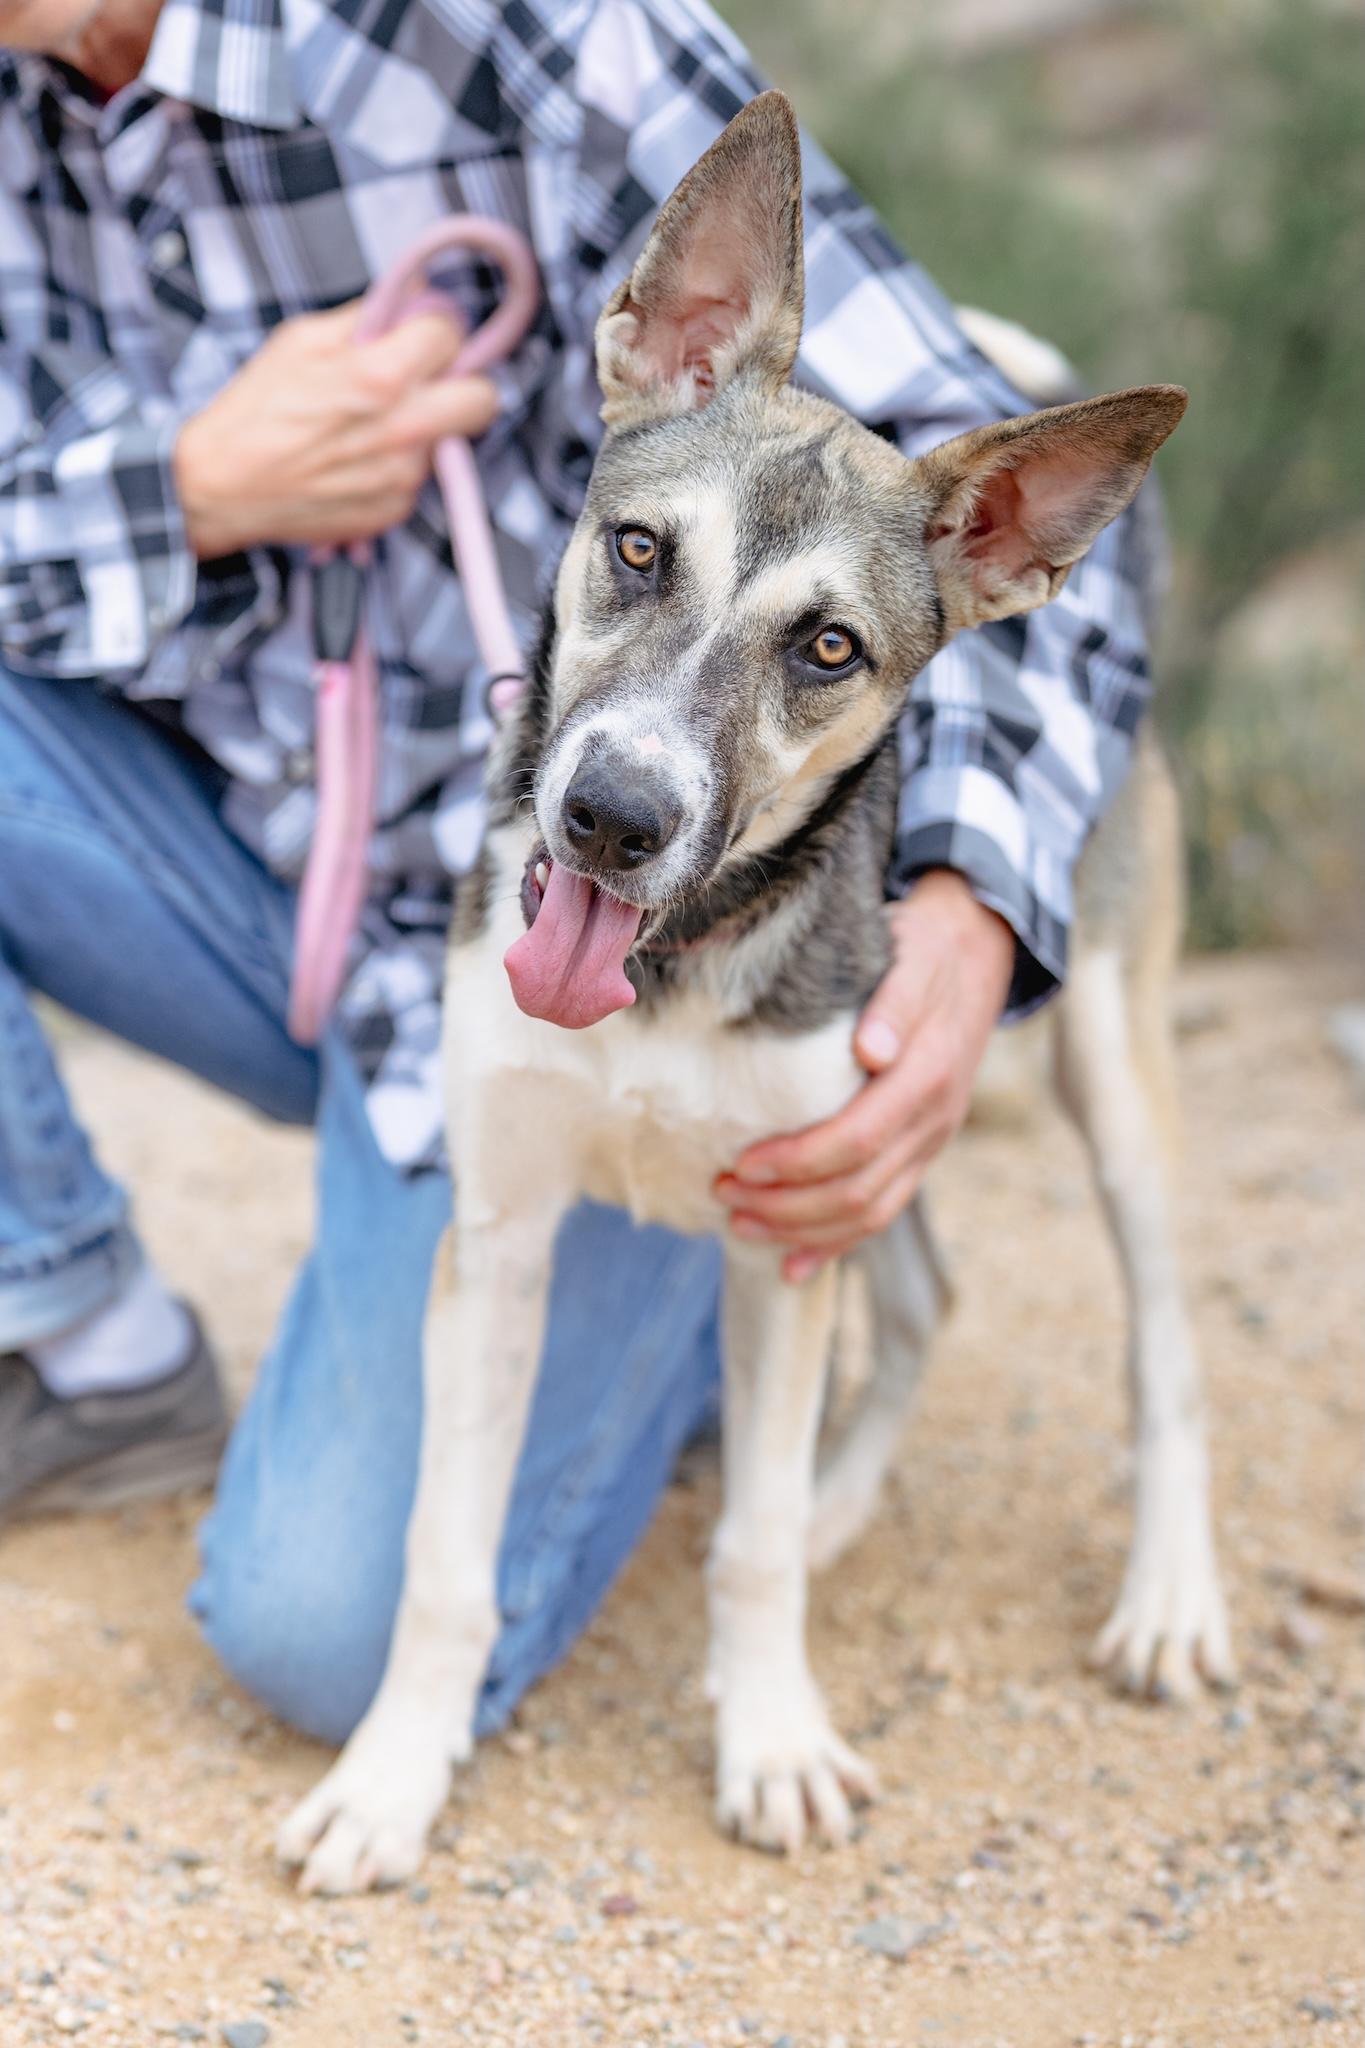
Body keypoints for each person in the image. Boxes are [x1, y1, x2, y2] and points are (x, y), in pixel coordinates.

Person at [0, 0, 1154, 1744]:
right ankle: (80, 1324)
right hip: (252, 895)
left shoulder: (519, 25)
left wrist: (975, 908)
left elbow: (998, 489)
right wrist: (188, 489)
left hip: (640, 940)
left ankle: (674, 1244)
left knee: (317, 1637)